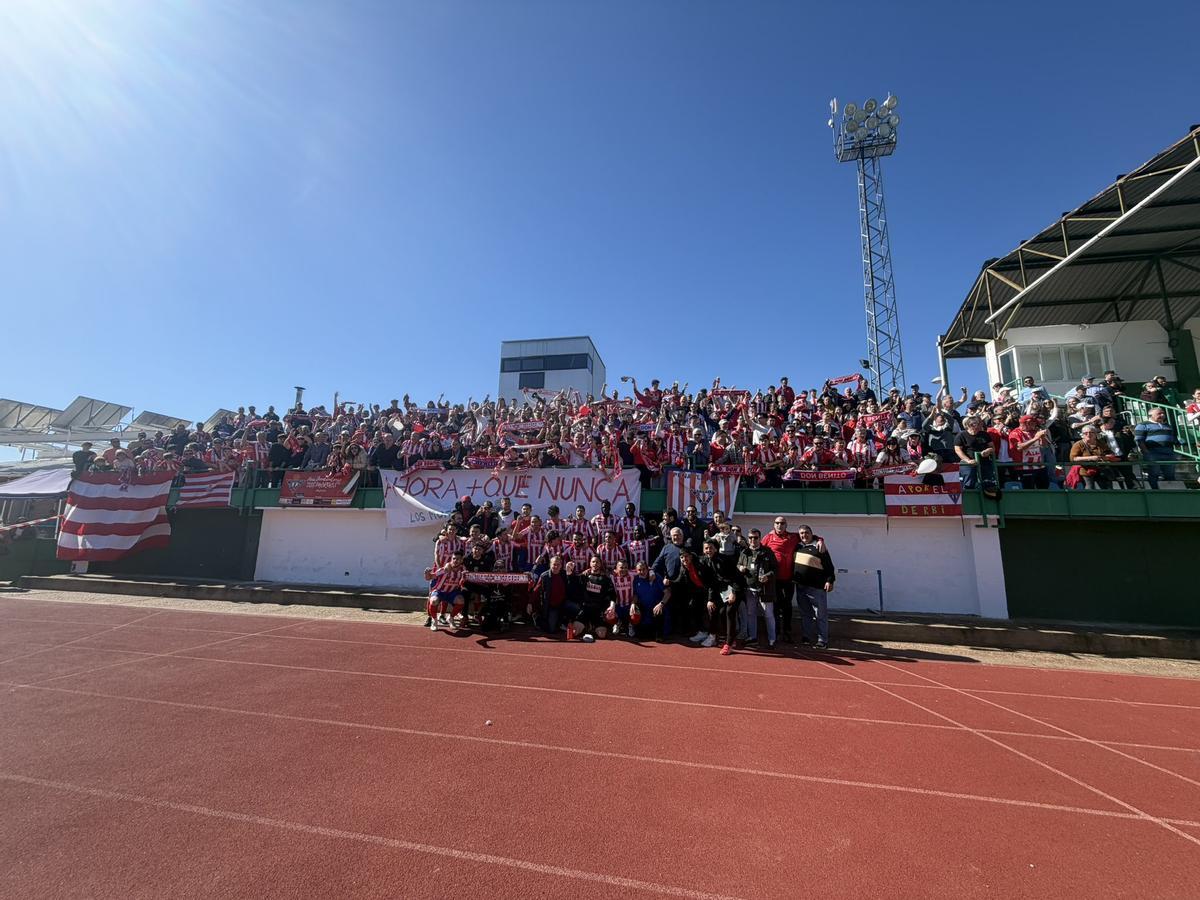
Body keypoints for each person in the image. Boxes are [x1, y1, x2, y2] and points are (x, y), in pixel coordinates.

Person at [691, 539, 741, 652]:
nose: (708, 550)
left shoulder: (725, 560)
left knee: (729, 611)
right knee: (716, 610)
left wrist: (733, 592)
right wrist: (710, 599)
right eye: (706, 548)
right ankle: (720, 637)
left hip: (734, 588)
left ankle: (729, 643)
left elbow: (736, 577)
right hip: (721, 590)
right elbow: (711, 583)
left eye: (711, 548)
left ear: (716, 549)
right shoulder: (705, 561)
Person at [792, 525, 835, 649]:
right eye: (801, 533)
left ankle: (822, 640)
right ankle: (806, 637)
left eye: (806, 532)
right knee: (805, 614)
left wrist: (830, 580)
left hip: (816, 588)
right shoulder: (798, 547)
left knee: (820, 615)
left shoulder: (819, 547)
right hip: (801, 587)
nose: (804, 535)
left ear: (811, 534)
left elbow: (829, 566)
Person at [760, 516, 800, 643]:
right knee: (775, 606)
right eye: (777, 523)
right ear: (774, 525)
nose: (779, 525)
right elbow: (758, 551)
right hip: (774, 579)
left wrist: (820, 540)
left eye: (782, 523)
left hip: (788, 579)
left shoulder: (793, 537)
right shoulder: (768, 537)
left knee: (787, 605)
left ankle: (787, 632)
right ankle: (776, 632)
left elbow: (810, 536)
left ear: (786, 525)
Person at [737, 528, 777, 648]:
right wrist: (740, 567)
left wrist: (767, 576)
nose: (753, 540)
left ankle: (772, 639)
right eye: (750, 538)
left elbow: (775, 569)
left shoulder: (767, 551)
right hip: (749, 589)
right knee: (751, 613)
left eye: (755, 538)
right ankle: (752, 636)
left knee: (768, 615)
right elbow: (738, 564)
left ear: (760, 538)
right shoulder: (745, 552)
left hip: (765, 589)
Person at [1134, 407, 1178, 489]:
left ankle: (1170, 491)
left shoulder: (1168, 425)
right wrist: (1146, 452)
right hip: (1152, 453)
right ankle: (1154, 490)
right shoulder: (1143, 425)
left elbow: (1173, 438)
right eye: (1159, 414)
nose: (1162, 415)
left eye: (1163, 413)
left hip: (1168, 453)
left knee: (1170, 474)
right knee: (1154, 473)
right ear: (1151, 415)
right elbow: (1139, 440)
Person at [425, 551, 467, 632]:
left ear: (462, 560)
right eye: (454, 558)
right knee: (433, 601)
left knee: (461, 601)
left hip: (452, 592)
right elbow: (430, 577)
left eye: (458, 559)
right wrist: (427, 574)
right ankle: (434, 621)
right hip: (440, 591)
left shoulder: (463, 569)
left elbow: (465, 579)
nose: (455, 560)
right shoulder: (445, 569)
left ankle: (451, 618)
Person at [955, 416, 996, 490]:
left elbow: (992, 447)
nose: (981, 425)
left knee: (988, 483)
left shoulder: (984, 434)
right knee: (969, 482)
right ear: (971, 425)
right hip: (968, 462)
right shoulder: (961, 435)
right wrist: (968, 460)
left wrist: (988, 450)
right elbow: (958, 450)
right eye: (979, 423)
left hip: (984, 461)